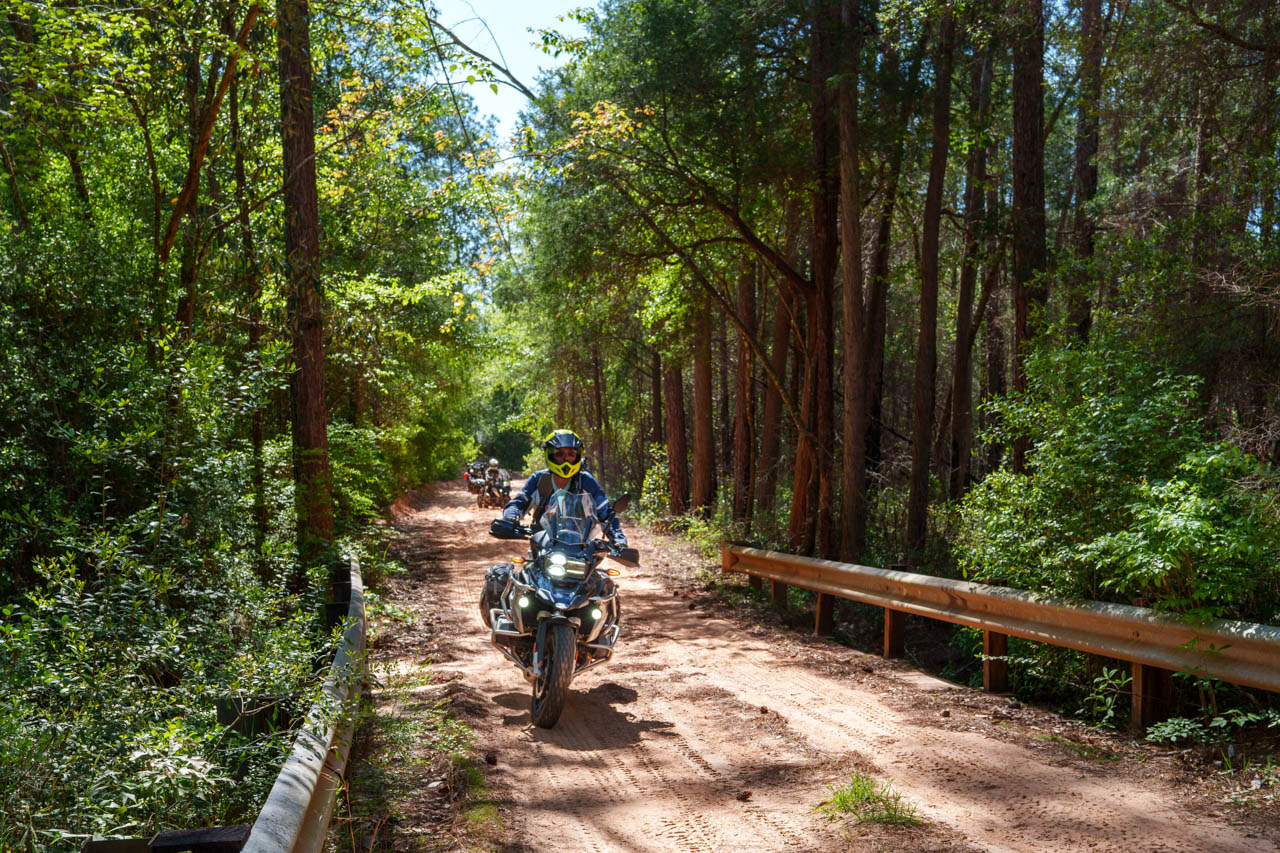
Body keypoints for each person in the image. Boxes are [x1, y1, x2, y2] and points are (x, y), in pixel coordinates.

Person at [502, 429, 626, 547]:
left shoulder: (586, 481)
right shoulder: (539, 479)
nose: (566, 459)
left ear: (578, 456)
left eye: (571, 454)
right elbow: (518, 503)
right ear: (550, 455)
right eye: (559, 454)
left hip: (580, 548)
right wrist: (510, 518)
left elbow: (606, 513)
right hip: (543, 545)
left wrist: (619, 540)